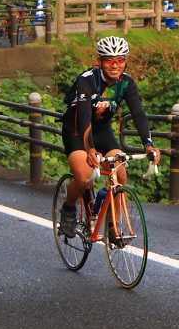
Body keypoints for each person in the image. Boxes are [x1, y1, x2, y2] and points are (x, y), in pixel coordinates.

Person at [57, 36, 159, 241]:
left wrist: (149, 145)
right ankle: (68, 210)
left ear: (125, 62)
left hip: (102, 130)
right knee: (84, 174)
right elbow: (84, 116)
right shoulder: (88, 79)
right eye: (109, 60)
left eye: (120, 60)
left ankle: (112, 227)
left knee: (120, 175)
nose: (115, 65)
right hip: (77, 129)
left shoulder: (127, 83)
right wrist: (90, 149)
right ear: (100, 61)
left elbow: (138, 114)